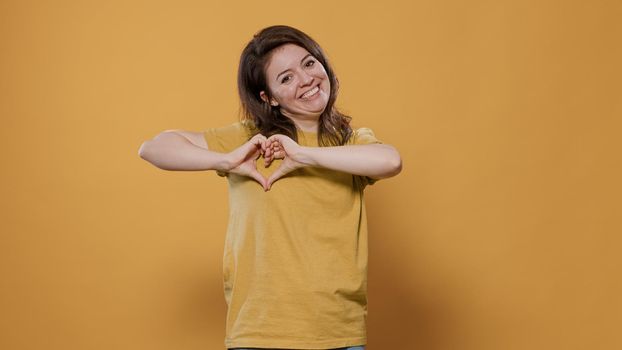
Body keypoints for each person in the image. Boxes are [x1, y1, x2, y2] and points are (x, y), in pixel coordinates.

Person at [139, 25, 402, 350]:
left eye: (309, 63)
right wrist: (226, 161)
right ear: (269, 98)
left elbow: (390, 161)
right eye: (286, 78)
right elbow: (154, 148)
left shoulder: (348, 142)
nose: (306, 79)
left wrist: (303, 154)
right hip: (259, 330)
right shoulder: (250, 140)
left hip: (337, 329)